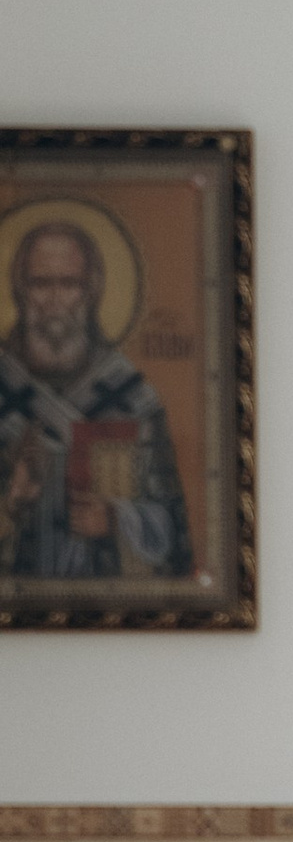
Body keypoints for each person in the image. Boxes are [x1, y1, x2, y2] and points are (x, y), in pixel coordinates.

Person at [0, 220, 192, 583]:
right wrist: (12, 503)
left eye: (69, 283)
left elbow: (172, 530)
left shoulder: (131, 397)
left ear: (91, 292)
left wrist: (117, 520)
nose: (55, 299)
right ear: (20, 291)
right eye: (41, 283)